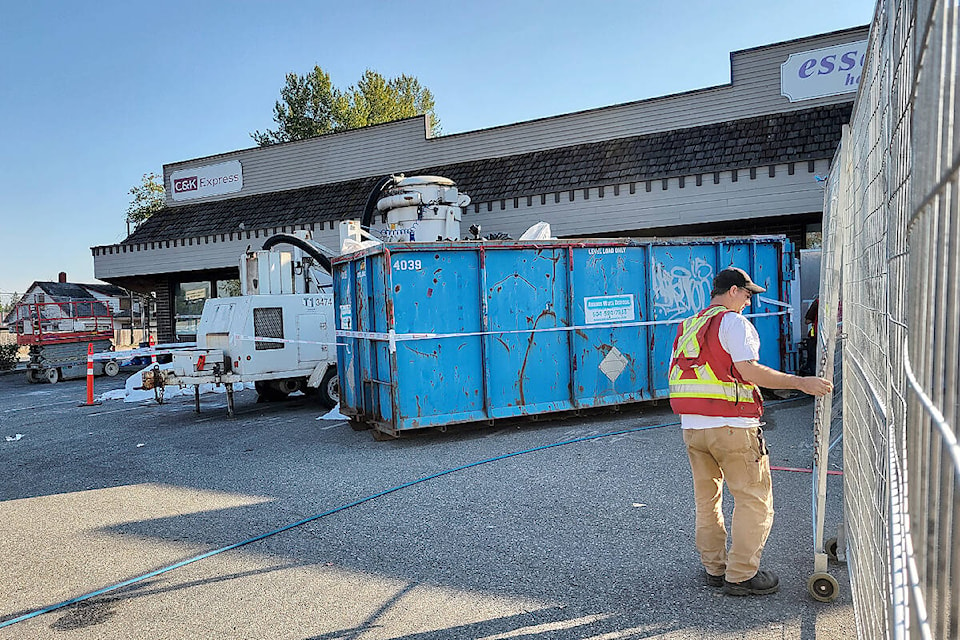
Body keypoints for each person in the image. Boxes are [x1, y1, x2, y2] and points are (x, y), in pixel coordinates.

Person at [668, 267, 833, 596]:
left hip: (693, 428)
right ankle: (741, 575)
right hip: (732, 426)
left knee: (707, 501)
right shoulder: (732, 323)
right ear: (731, 291)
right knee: (753, 500)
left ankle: (715, 569)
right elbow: (749, 370)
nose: (748, 301)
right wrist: (802, 383)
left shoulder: (689, 325)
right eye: (746, 294)